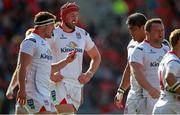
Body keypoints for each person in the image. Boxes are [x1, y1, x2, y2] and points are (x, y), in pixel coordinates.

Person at [16, 11, 76, 114]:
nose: (54, 29)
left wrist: (66, 61)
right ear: (45, 25)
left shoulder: (44, 43)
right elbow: (22, 67)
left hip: (44, 92)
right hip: (33, 92)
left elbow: (49, 69)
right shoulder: (30, 41)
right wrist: (21, 89)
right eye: (52, 25)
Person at [48, 2, 101, 113]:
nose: (75, 18)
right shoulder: (53, 34)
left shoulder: (83, 34)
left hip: (77, 84)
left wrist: (89, 74)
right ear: (63, 16)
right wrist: (50, 74)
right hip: (58, 83)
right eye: (72, 15)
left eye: (77, 15)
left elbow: (96, 57)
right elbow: (39, 56)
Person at [129, 18, 170, 114]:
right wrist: (150, 89)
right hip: (150, 97)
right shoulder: (139, 50)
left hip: (167, 97)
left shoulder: (166, 49)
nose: (160, 33)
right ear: (147, 33)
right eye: (156, 31)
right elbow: (136, 72)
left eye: (162, 30)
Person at [114, 13, 147, 114]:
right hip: (134, 94)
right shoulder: (131, 44)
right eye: (129, 29)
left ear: (143, 28)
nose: (131, 32)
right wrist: (121, 91)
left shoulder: (160, 45)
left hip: (150, 95)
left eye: (134, 29)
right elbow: (129, 68)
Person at [153, 29, 180, 114]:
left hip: (164, 105)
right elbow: (169, 77)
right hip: (170, 108)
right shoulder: (173, 60)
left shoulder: (167, 57)